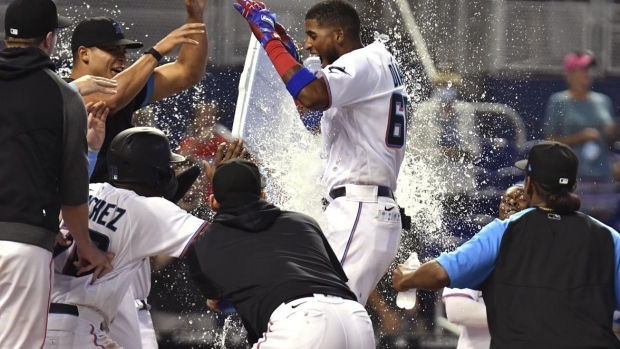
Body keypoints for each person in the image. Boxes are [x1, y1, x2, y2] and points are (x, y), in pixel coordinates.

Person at [235, 0, 407, 305]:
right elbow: (312, 117)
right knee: (337, 319)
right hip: (362, 208)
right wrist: (284, 52)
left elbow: (311, 95)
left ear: (338, 35)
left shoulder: (363, 61)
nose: (308, 43)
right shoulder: (373, 61)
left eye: (313, 35)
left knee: (321, 310)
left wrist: (270, 40)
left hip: (360, 206)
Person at [393, 140, 620, 348]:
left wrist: (407, 278)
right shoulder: (609, 238)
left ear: (529, 184)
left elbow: (439, 274)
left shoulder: (506, 231)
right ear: (573, 186)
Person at [0, 0, 113, 347]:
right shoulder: (64, 97)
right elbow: (73, 188)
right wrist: (85, 245)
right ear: (48, 39)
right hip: (24, 245)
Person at [43, 127, 219, 349]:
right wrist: (226, 193)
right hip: (78, 328)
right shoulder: (150, 209)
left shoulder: (86, 190)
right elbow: (219, 241)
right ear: (153, 171)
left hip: (36, 320)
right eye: (166, 167)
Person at [186, 158, 375, 348]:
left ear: (212, 202)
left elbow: (218, 302)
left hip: (299, 325)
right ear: (263, 195)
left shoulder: (203, 246)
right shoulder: (304, 222)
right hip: (355, 320)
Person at [69, 0, 208, 183]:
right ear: (84, 54)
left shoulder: (126, 90)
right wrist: (155, 53)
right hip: (72, 203)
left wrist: (195, 16)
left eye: (124, 52)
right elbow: (109, 98)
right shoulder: (63, 90)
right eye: (113, 50)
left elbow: (188, 72)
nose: (122, 58)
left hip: (115, 203)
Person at [441, 184, 526, 349]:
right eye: (506, 200)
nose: (511, 204)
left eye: (520, 200)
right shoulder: (479, 250)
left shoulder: (543, 255)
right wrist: (521, 318)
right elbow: (456, 310)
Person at [543, 50, 617, 222]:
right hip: (573, 176)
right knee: (572, 224)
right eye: (581, 70)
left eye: (588, 70)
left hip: (602, 175)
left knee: (602, 230)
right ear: (569, 74)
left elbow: (611, 139)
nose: (586, 74)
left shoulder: (603, 101)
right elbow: (550, 139)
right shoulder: (558, 101)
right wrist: (579, 137)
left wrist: (611, 132)